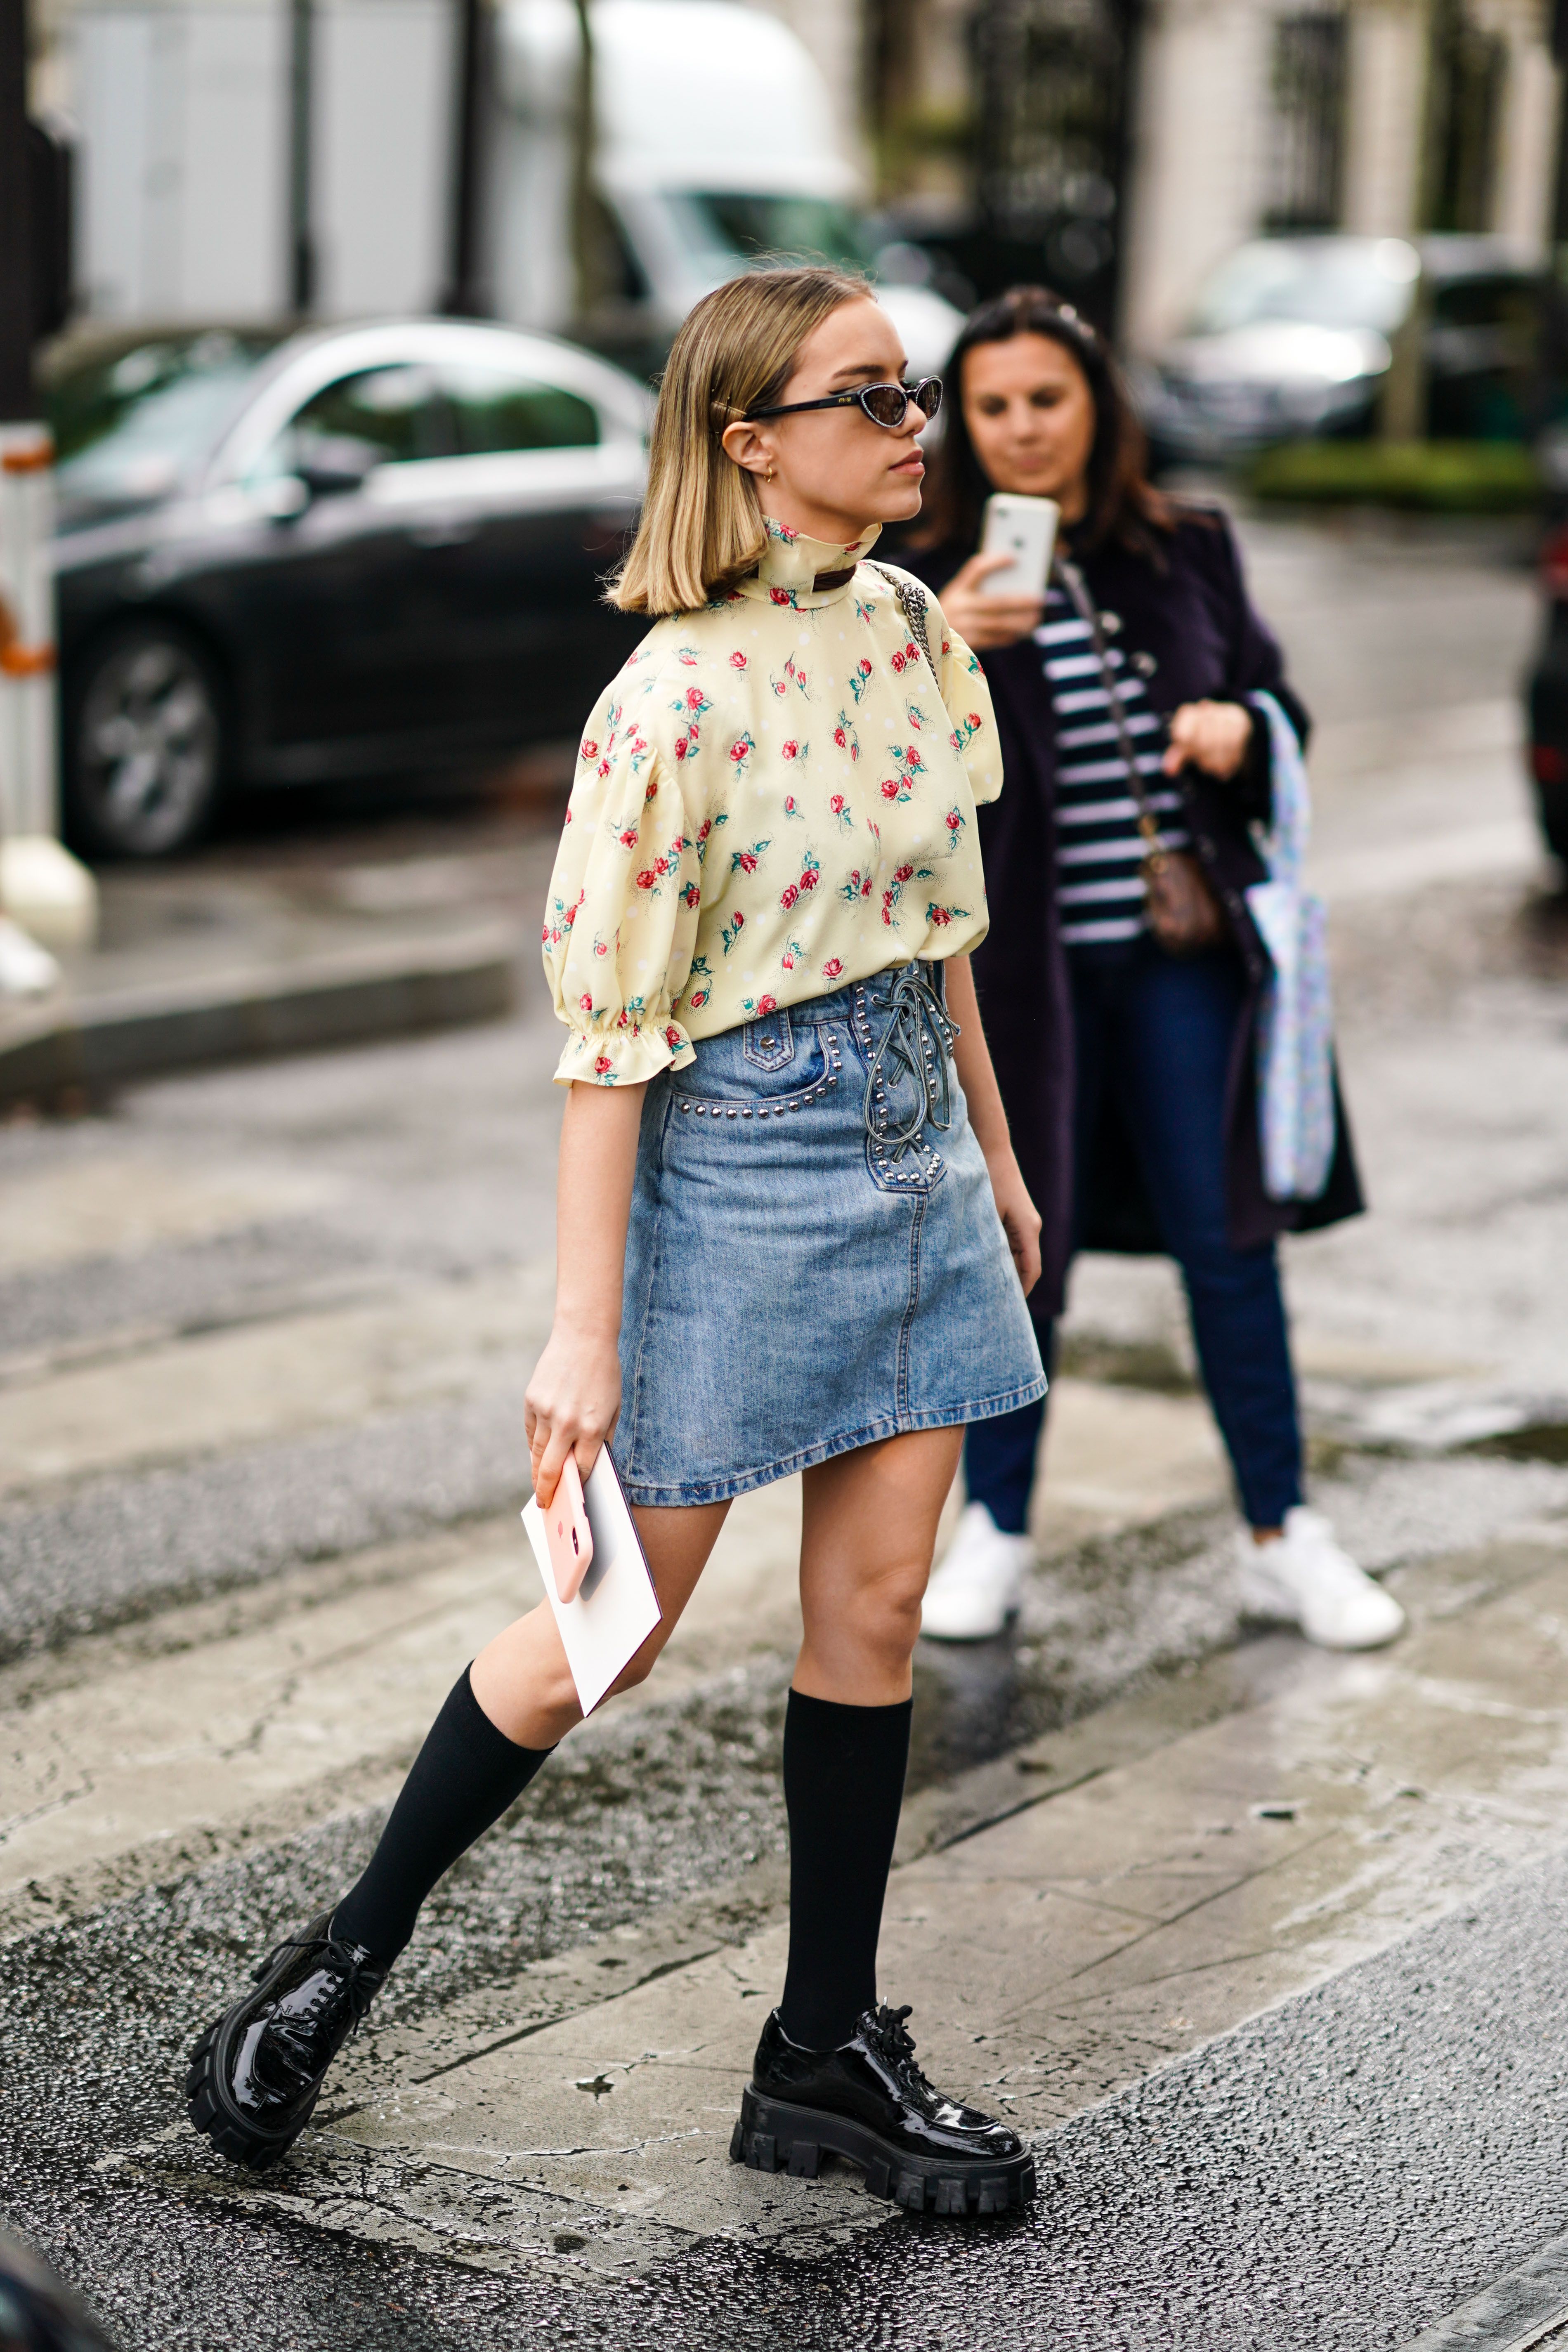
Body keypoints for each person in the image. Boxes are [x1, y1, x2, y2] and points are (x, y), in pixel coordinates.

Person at [185, 267, 1047, 2218]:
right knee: (614, 1631)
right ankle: (336, 1965)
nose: (914, 422)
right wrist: (582, 1333)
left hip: (912, 1134)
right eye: (871, 396)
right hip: (742, 1157)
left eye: (910, 392)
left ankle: (821, 2052)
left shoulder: (913, 631)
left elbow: (941, 925)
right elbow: (610, 1044)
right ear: (751, 442)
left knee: (879, 1614)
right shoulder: (664, 699)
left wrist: (990, 1150)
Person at [904, 286, 1402, 1653]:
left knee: (1228, 1242)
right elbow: (867, 767)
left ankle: (1281, 1532)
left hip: (1184, 965)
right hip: (1018, 987)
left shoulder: (1189, 548)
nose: (1018, 430)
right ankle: (995, 1526)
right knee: (1018, 1254)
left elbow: (1275, 698)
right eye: (992, 406)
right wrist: (942, 640)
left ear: (1096, 409)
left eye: (1045, 401)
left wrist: (1242, 725)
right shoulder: (917, 576)